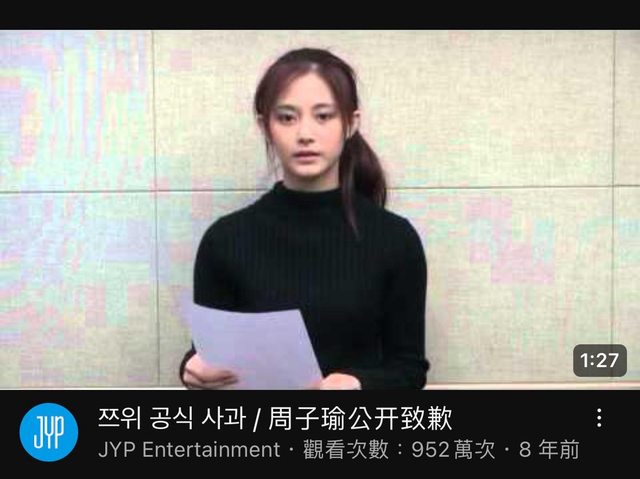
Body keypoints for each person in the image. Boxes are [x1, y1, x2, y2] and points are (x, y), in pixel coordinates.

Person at [179, 47, 429, 390]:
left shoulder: (395, 239)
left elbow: (409, 369)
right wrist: (191, 367)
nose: (305, 134)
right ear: (265, 126)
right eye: (287, 118)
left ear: (351, 123)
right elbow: (208, 355)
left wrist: (357, 383)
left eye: (323, 116)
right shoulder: (225, 239)